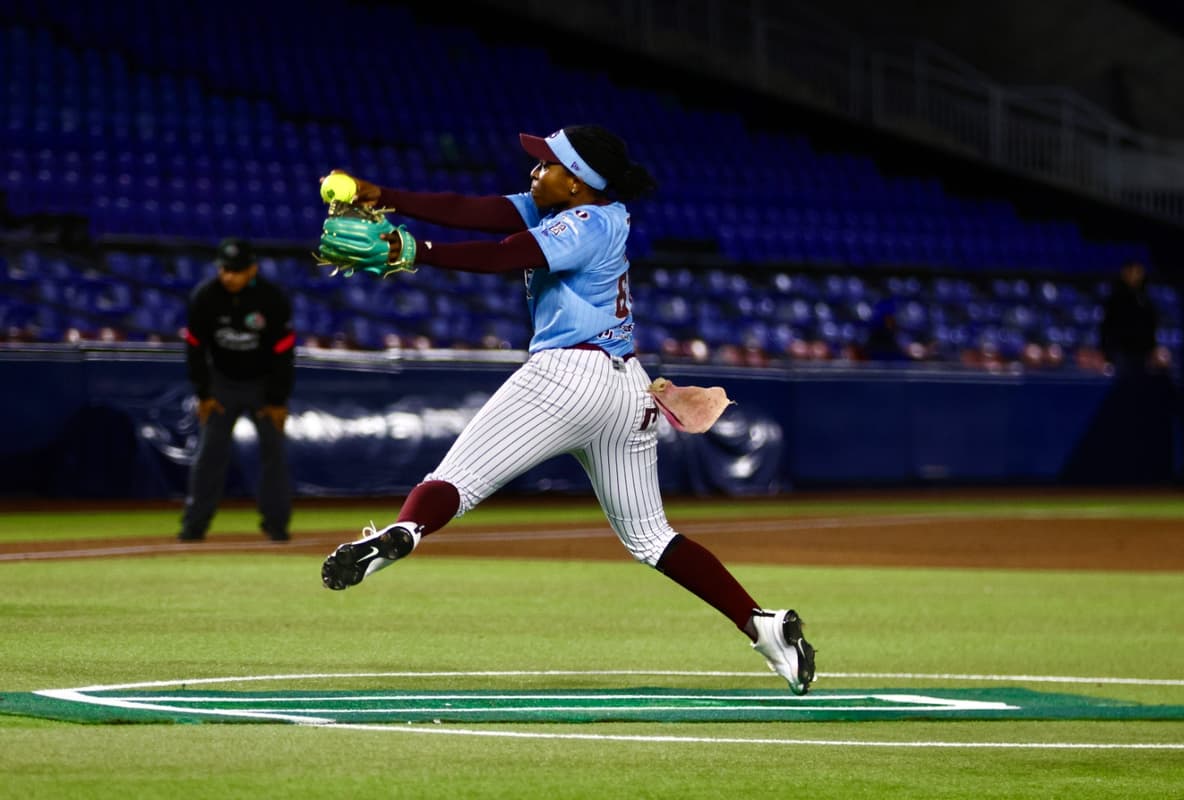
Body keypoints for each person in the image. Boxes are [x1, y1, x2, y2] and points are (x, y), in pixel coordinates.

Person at [317, 125, 815, 694]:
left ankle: (405, 532)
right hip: (629, 392)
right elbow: (472, 210)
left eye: (547, 164)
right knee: (652, 538)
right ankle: (762, 625)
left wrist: (413, 250)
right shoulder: (579, 210)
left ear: (577, 183)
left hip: (567, 377)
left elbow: (506, 254)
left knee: (454, 481)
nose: (535, 171)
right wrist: (387, 195)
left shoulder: (588, 223)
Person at [178, 237, 296, 542]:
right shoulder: (205, 296)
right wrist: (203, 394)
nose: (228, 276)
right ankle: (194, 525)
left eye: (236, 270)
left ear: (251, 270)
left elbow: (283, 352)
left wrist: (276, 399)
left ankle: (277, 525)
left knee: (273, 453)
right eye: (224, 269)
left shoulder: (271, 299)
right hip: (222, 384)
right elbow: (194, 347)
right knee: (209, 454)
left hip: (263, 384)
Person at [1099, 260, 1158, 375]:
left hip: (1142, 351)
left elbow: (1151, 325)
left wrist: (1152, 347)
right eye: (1131, 271)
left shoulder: (1145, 299)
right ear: (1124, 273)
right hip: (1122, 350)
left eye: (1138, 272)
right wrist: (1108, 352)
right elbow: (1107, 326)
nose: (1135, 275)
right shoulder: (1115, 299)